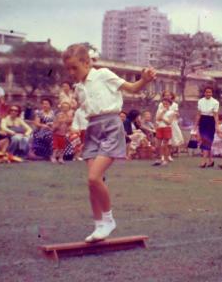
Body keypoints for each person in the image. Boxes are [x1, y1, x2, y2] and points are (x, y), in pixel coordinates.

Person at [62, 43, 156, 242]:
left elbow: (131, 88)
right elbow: (84, 110)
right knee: (93, 183)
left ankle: (109, 220)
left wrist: (144, 80)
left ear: (86, 63)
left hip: (111, 127)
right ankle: (99, 226)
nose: (71, 72)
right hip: (92, 130)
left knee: (94, 178)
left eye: (74, 67)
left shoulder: (103, 74)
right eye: (68, 69)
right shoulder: (79, 88)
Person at [195, 86, 220, 168]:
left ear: (212, 93)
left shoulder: (215, 102)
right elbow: (198, 114)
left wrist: (217, 125)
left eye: (210, 92)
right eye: (206, 92)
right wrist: (196, 125)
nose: (208, 93)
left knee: (207, 141)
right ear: (204, 93)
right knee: (204, 141)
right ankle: (211, 160)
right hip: (203, 120)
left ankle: (203, 162)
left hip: (210, 121)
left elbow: (216, 115)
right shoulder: (200, 101)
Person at [153, 98, 175, 166]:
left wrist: (162, 118)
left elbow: (169, 122)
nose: (165, 105)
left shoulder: (172, 112)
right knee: (157, 146)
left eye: (167, 103)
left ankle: (165, 160)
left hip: (167, 128)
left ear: (170, 104)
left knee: (164, 146)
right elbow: (157, 118)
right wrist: (162, 113)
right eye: (164, 103)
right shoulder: (160, 110)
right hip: (159, 128)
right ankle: (158, 159)